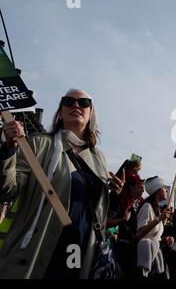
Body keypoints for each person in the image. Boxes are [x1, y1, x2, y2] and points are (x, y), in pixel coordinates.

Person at [0, 89, 124, 279]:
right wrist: (9, 149)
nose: (76, 105)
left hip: (80, 252)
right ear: (60, 112)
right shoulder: (38, 144)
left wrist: (115, 195)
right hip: (41, 249)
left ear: (91, 112)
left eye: (83, 103)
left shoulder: (98, 158)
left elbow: (99, 213)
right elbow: (8, 190)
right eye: (69, 101)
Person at [136, 176, 172, 279]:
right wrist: (159, 219)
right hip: (147, 257)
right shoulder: (147, 206)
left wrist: (165, 239)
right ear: (157, 191)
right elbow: (139, 233)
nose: (166, 190)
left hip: (155, 256)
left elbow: (154, 235)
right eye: (163, 187)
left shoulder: (157, 209)